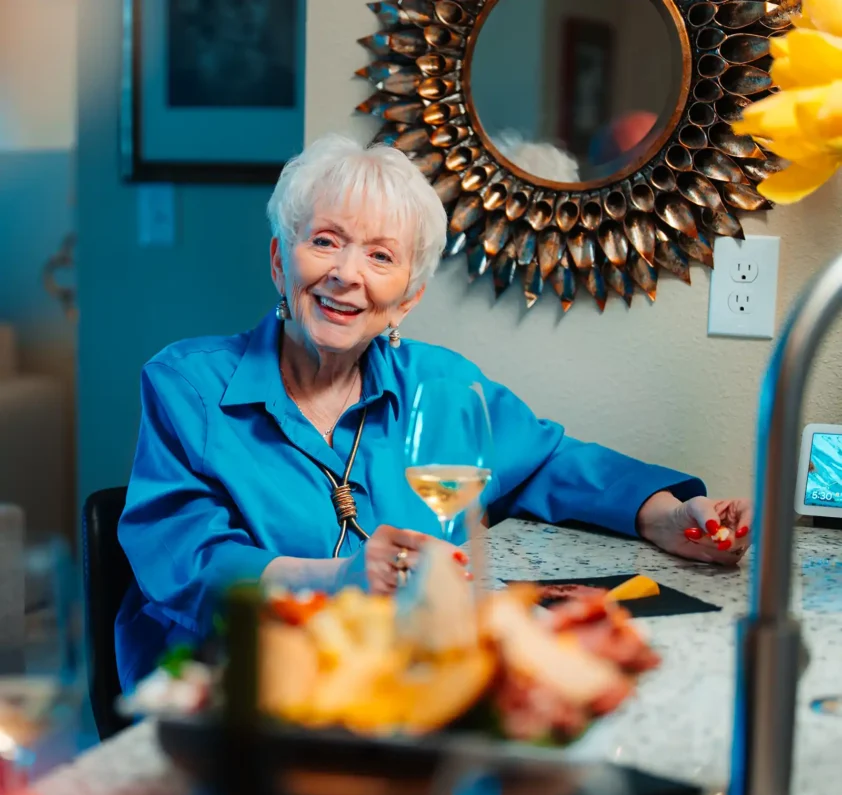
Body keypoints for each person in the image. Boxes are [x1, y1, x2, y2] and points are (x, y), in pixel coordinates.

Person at [116, 134, 751, 689]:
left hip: (403, 678)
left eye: (380, 256)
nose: (345, 273)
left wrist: (666, 519)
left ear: (407, 301)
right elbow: (188, 564)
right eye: (325, 241)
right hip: (240, 688)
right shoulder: (188, 387)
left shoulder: (440, 385)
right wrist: (341, 579)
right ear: (282, 261)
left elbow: (548, 463)